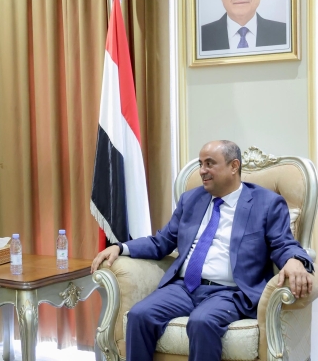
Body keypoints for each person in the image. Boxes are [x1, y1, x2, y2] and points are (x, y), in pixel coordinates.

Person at [91, 140, 313, 361]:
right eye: (200, 164)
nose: (202, 171)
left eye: (209, 164)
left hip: (229, 292)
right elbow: (162, 242)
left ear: (234, 166)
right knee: (139, 315)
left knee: (202, 322)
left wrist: (295, 259)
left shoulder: (266, 203)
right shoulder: (191, 199)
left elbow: (283, 244)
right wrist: (120, 247)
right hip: (184, 288)